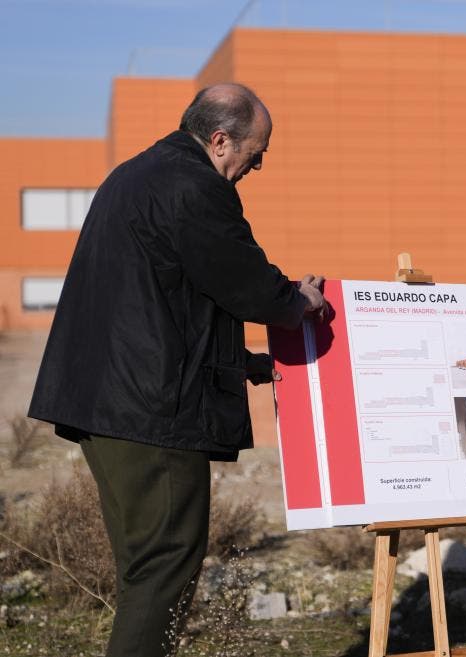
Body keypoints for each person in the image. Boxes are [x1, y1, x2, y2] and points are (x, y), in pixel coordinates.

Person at [28, 83, 326, 657]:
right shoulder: (194, 187)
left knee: (145, 568)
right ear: (220, 140)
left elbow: (165, 302)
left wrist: (243, 364)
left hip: (103, 403)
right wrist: (299, 302)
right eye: (256, 151)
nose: (258, 165)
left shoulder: (135, 175)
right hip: (150, 415)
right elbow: (243, 282)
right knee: (165, 563)